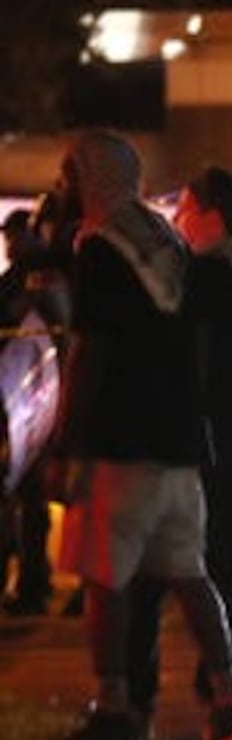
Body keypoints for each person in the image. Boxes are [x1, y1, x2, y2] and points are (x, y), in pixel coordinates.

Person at [52, 130, 232, 740]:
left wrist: (69, 443)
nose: (63, 186)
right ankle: (231, 703)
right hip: (181, 440)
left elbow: (95, 349)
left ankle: (115, 708)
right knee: (190, 574)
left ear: (92, 179)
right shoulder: (162, 236)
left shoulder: (101, 247)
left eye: (70, 174)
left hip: (122, 440)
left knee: (104, 577)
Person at [125, 166, 232, 720]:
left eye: (188, 208)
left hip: (183, 457)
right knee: (224, 575)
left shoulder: (176, 284)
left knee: (151, 577)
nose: (177, 219)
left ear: (213, 217)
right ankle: (221, 689)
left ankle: (138, 691)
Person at [0, 207, 59, 617]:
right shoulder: (17, 281)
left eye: (14, 235)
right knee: (25, 498)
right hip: (21, 401)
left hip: (32, 403)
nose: (9, 243)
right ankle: (32, 581)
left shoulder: (39, 281)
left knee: (28, 498)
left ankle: (34, 583)